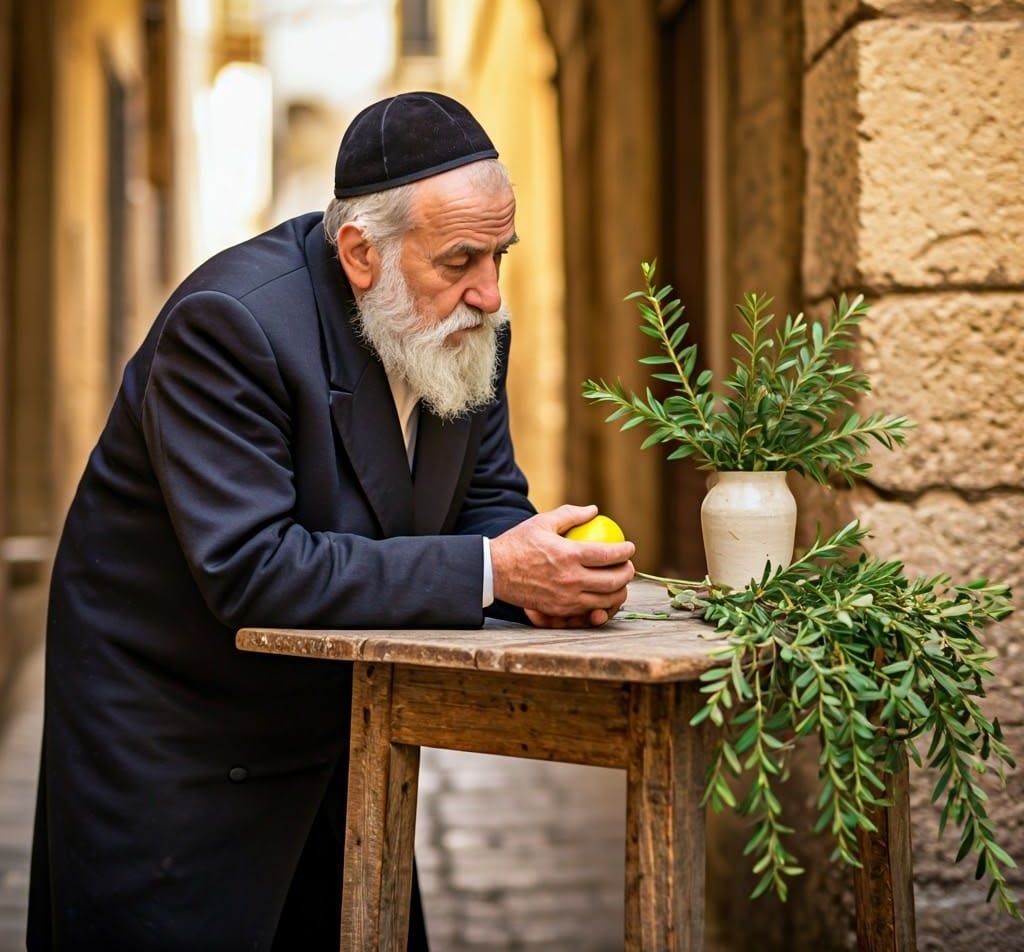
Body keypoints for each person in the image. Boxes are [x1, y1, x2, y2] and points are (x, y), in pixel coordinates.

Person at [27, 91, 635, 950]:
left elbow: (488, 501)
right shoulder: (229, 326)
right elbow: (253, 567)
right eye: (461, 258)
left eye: (501, 254)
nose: (491, 293)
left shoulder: (464, 314)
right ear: (360, 252)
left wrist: (550, 576)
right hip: (180, 738)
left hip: (341, 724)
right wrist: (497, 574)